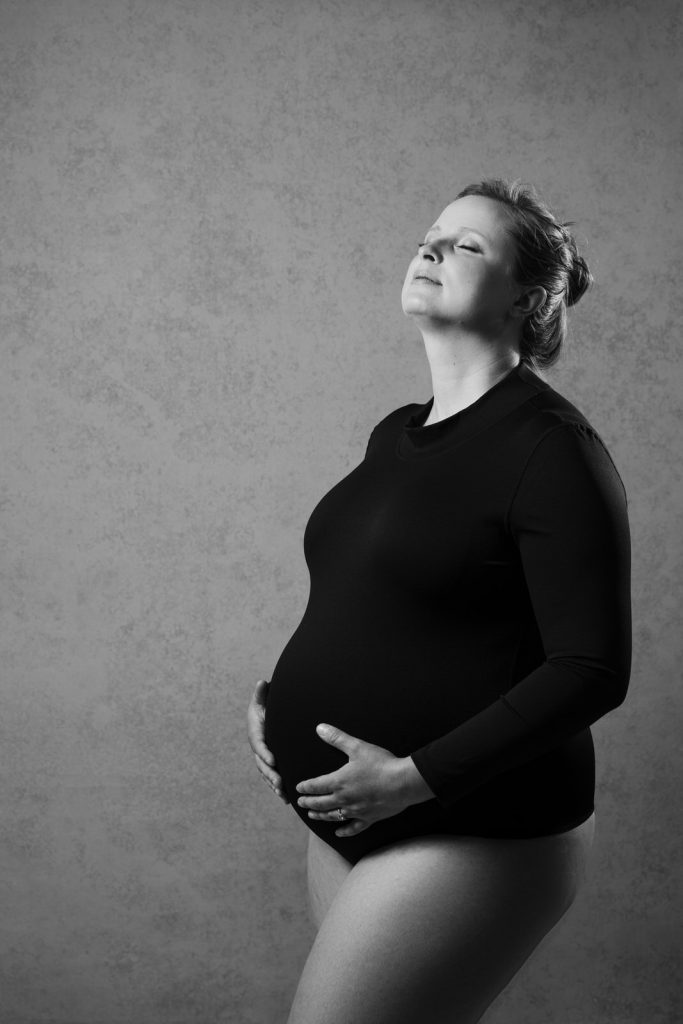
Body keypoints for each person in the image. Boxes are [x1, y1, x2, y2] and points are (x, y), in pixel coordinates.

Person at [246, 178, 631, 1024]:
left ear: (526, 300)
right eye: (431, 235)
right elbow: (372, 598)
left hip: (476, 821)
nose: (430, 250)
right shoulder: (396, 432)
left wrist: (415, 779)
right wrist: (276, 704)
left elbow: (592, 669)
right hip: (351, 807)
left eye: (467, 246)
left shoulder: (550, 449)